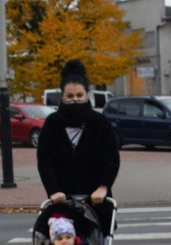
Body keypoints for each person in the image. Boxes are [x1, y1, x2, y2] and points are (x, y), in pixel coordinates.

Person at [37, 59, 120, 233]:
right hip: (63, 203)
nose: (75, 100)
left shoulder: (100, 123)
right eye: (70, 96)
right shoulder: (52, 124)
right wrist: (53, 190)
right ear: (62, 97)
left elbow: (111, 158)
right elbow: (45, 161)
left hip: (96, 201)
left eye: (79, 96)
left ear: (87, 95)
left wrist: (103, 186)